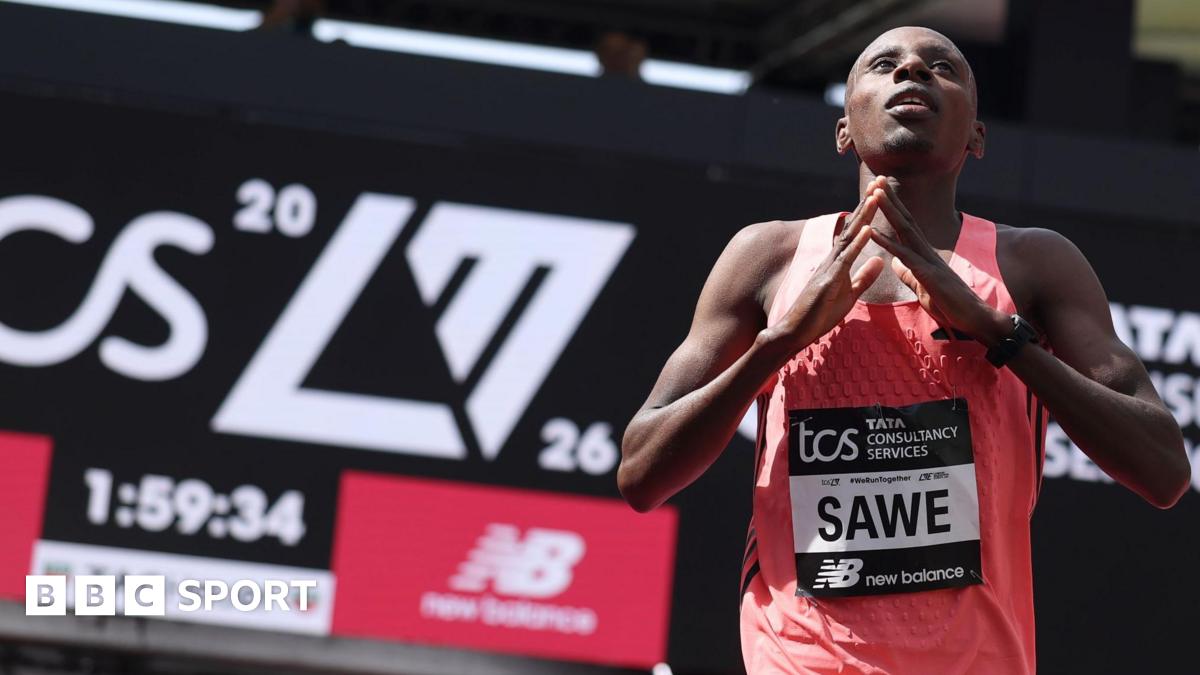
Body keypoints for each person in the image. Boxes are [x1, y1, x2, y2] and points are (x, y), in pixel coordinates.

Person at [618, 26, 1189, 674]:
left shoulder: (1033, 264)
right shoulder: (770, 258)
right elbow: (641, 475)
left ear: (977, 137)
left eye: (941, 66)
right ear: (843, 130)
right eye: (884, 63)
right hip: (799, 657)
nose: (911, 70)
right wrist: (779, 344)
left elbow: (1165, 471)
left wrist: (998, 333)